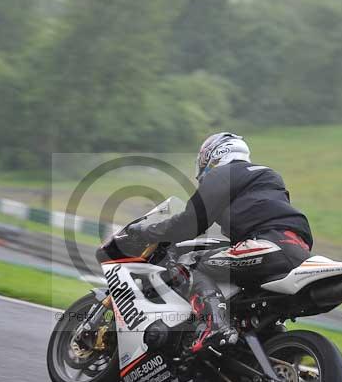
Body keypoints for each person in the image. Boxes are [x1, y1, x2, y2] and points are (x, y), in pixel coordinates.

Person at [127, 132, 313, 354]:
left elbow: (191, 221)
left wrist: (147, 231)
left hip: (267, 244)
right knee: (246, 298)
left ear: (212, 155)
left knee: (191, 265)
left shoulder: (224, 174)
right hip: (298, 249)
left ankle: (215, 327)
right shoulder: (269, 176)